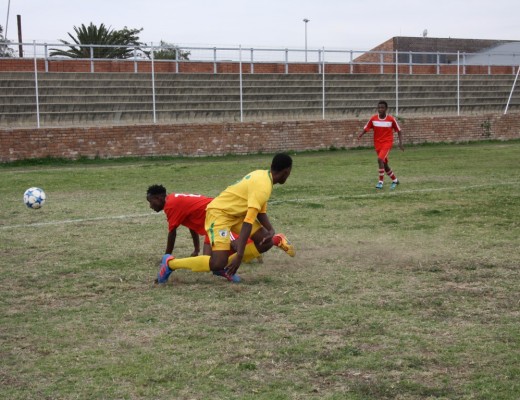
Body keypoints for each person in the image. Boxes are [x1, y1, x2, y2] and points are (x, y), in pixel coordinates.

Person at [157, 153, 295, 284]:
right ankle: (170, 264)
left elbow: (260, 210)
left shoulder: (263, 175)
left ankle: (225, 267)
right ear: (287, 171)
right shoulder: (263, 186)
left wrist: (270, 230)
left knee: (266, 241)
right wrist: (239, 255)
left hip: (235, 215)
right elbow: (248, 222)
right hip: (219, 214)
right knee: (217, 262)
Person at [358, 100, 404, 190]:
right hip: (377, 144)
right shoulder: (373, 118)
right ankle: (395, 180)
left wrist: (400, 142)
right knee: (384, 164)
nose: (380, 109)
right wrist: (361, 134)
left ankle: (380, 182)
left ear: (386, 109)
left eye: (382, 108)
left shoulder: (391, 119)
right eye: (379, 108)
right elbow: (367, 127)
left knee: (380, 159)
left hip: (387, 143)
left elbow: (399, 130)